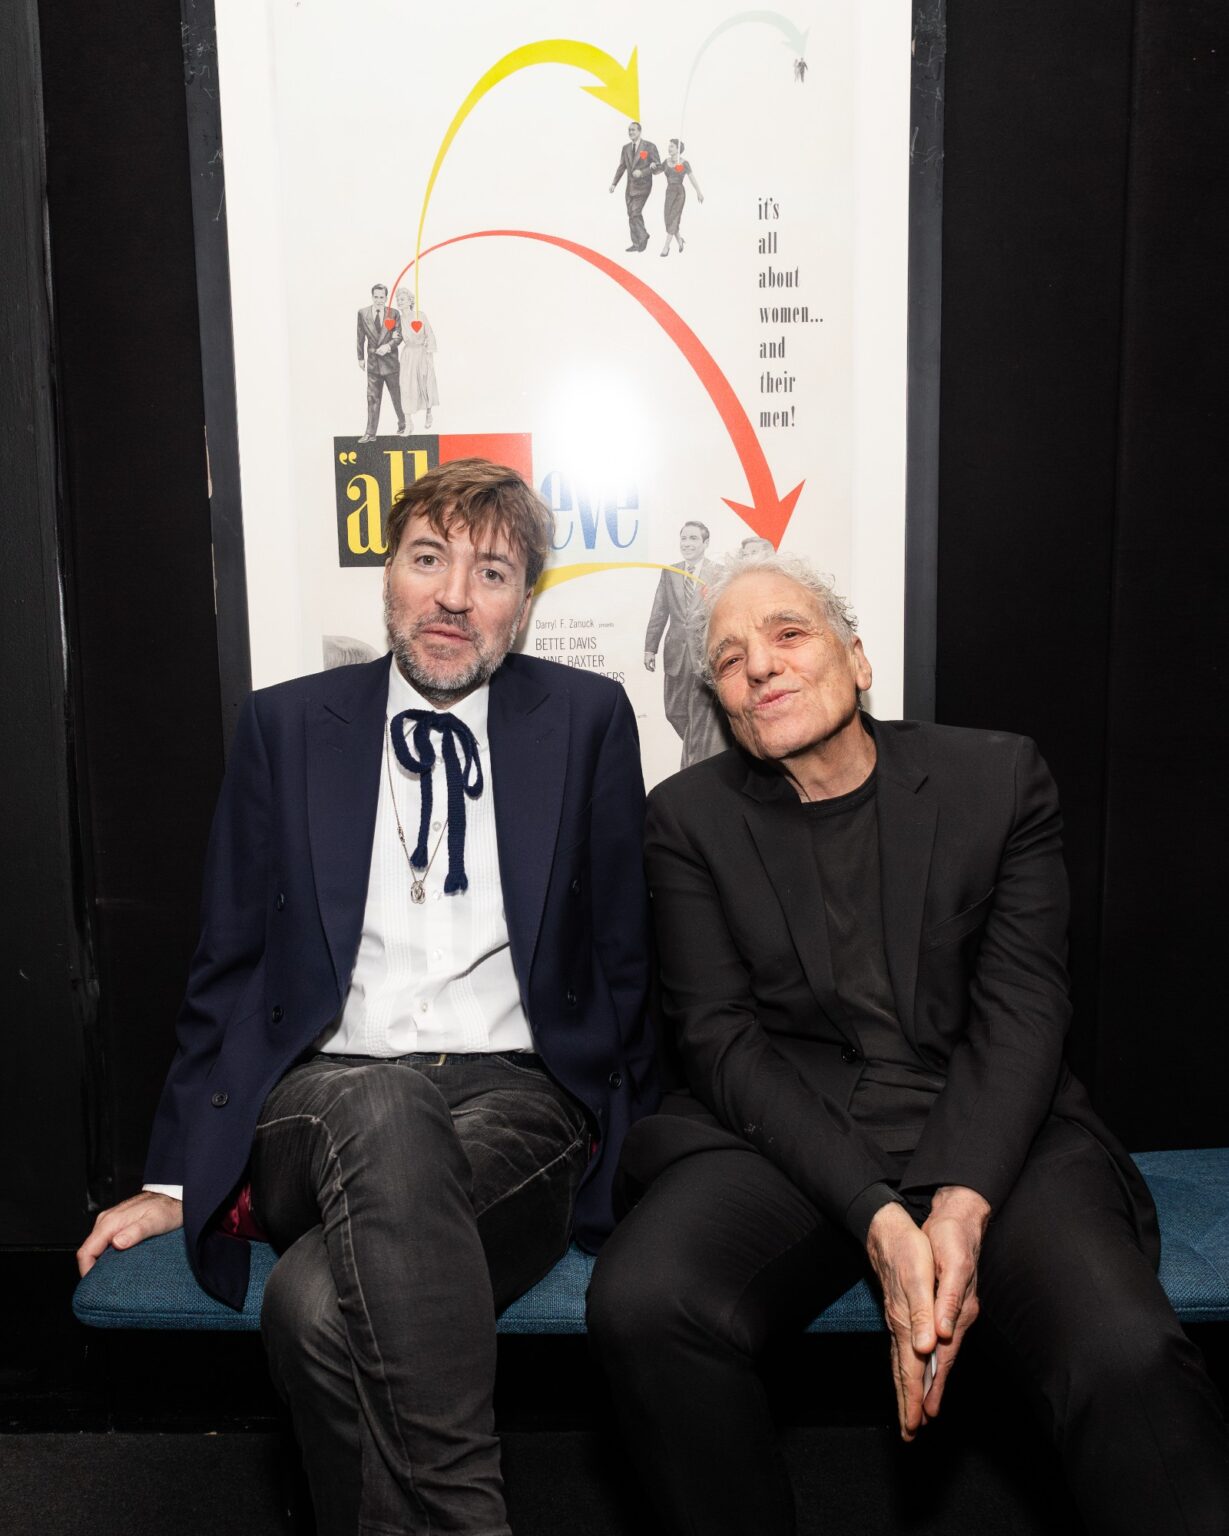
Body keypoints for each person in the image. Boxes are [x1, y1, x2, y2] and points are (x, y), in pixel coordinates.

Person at [590, 547, 1229, 1536]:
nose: (758, 665)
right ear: (721, 703)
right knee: (644, 1301)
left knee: (1121, 1350)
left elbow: (1022, 1008)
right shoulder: (687, 818)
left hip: (991, 1128)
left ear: (857, 659)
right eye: (727, 659)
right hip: (791, 1139)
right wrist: (880, 1219)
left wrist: (958, 1205)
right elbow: (719, 1041)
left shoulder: (995, 777)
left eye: (786, 633)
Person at [77, 459, 656, 1536]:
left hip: (517, 1099)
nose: (453, 596)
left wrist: (639, 1154)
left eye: (491, 573)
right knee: (381, 1102)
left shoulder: (585, 719)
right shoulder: (288, 726)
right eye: (427, 559)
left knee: (312, 1307)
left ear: (524, 603)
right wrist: (173, 1174)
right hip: (319, 1100)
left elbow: (626, 956)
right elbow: (228, 964)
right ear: (387, 573)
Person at [643, 520, 728, 769]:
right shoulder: (670, 572)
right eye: (684, 538)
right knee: (674, 711)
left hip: (704, 655)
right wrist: (650, 647)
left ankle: (694, 763)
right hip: (676, 655)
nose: (687, 543)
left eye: (693, 538)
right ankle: (698, 752)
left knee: (701, 714)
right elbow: (659, 611)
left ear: (705, 543)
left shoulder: (720, 573)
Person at [356, 281, 405, 441]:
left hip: (391, 364)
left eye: (381, 297)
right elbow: (360, 337)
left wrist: (388, 346)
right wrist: (360, 358)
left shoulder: (394, 314)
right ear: (372, 297)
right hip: (373, 364)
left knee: (397, 397)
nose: (378, 300)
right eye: (376, 297)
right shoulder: (362, 313)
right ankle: (370, 433)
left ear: (386, 298)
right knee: (372, 398)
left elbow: (398, 336)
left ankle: (403, 423)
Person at [609, 120, 660, 253]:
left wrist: (643, 172)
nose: (631, 132)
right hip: (630, 187)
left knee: (635, 212)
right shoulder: (625, 148)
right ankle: (636, 243)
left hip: (643, 186)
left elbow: (658, 166)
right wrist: (614, 183)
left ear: (639, 131)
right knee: (631, 214)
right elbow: (622, 167)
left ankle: (643, 237)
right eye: (629, 130)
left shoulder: (649, 146)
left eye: (633, 130)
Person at [394, 286, 439, 431]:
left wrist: (429, 351)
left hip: (422, 353)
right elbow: (397, 338)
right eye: (398, 299)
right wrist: (394, 336)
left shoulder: (420, 315)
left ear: (410, 301)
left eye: (402, 299)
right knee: (405, 386)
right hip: (408, 355)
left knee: (425, 384)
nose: (399, 302)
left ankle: (429, 413)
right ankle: (409, 423)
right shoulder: (398, 320)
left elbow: (429, 334)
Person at [656, 138, 703, 257]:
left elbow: (692, 178)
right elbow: (656, 172)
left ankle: (666, 247)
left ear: (678, 149)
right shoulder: (666, 162)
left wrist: (698, 192)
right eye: (669, 146)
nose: (669, 148)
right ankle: (680, 241)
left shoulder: (684, 163)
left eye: (672, 146)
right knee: (668, 219)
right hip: (669, 193)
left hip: (679, 193)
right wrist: (652, 166)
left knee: (674, 218)